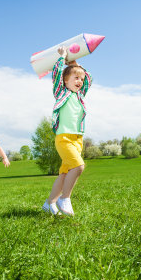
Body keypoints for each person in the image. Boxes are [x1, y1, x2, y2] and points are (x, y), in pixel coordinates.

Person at [42, 46, 92, 216]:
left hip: (78, 139)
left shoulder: (80, 95)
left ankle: (49, 203)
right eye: (75, 77)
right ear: (65, 81)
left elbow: (89, 79)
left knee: (64, 174)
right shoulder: (61, 93)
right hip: (64, 138)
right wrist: (62, 58)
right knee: (78, 166)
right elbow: (56, 74)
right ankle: (65, 198)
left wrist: (76, 64)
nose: (80, 81)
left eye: (81, 78)